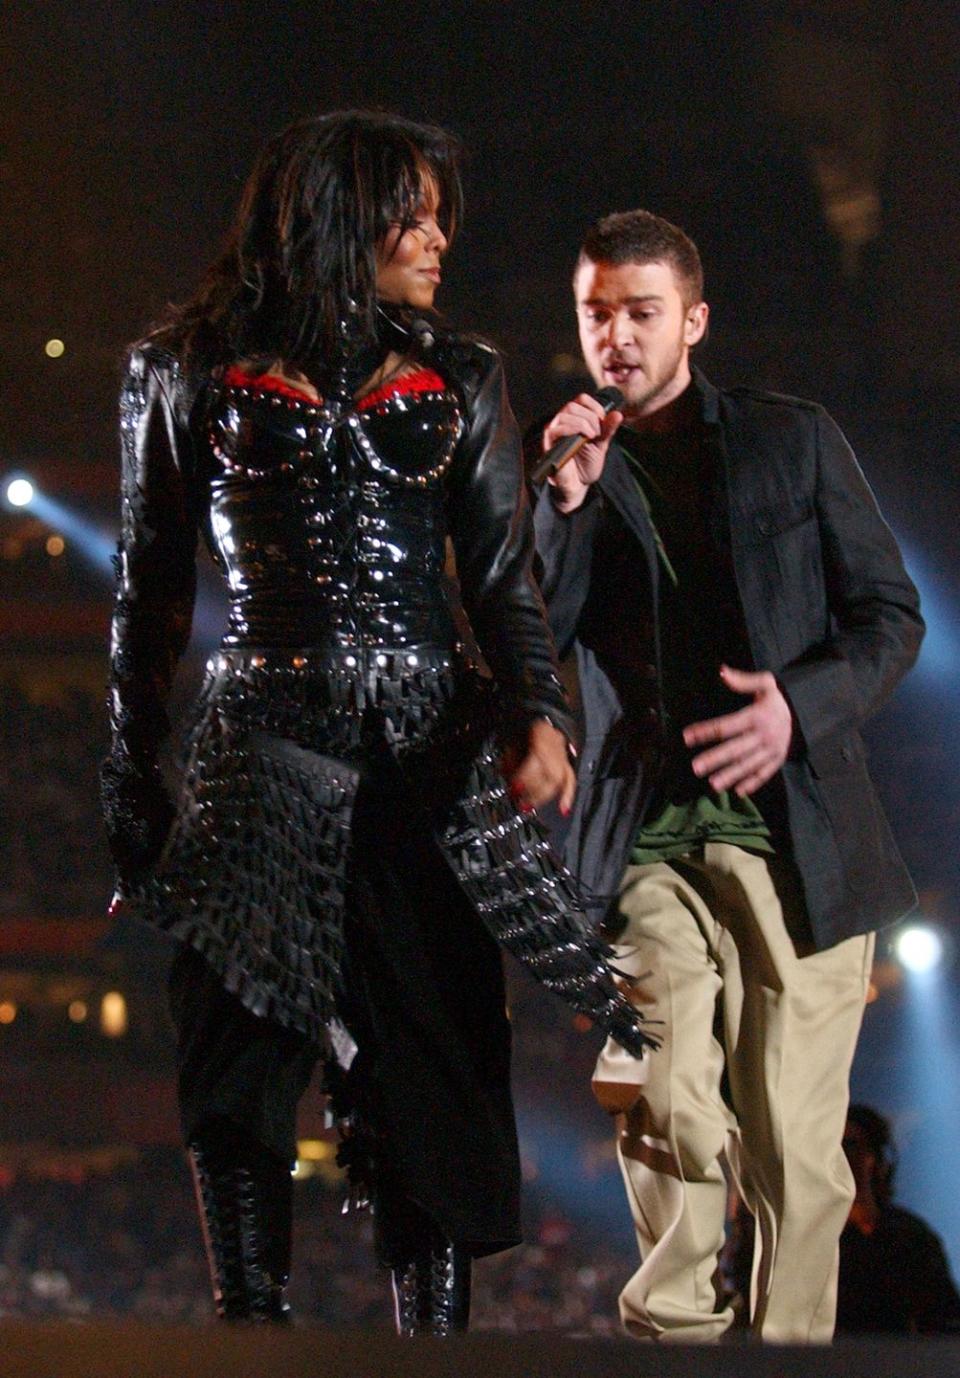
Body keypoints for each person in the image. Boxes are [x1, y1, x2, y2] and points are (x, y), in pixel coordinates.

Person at [100, 113, 654, 1335]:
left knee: (432, 1065)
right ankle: (251, 1329)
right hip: (263, 739)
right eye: (412, 211)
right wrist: (129, 774)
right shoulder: (182, 367)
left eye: (439, 210)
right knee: (239, 1056)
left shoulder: (461, 373)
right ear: (341, 219)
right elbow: (147, 588)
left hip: (427, 744)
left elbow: (502, 575)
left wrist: (538, 714)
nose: (439, 235)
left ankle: (435, 1356)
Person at [528, 209, 924, 1343]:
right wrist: (560, 503)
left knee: (801, 1156)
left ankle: (787, 1352)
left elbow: (890, 618)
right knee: (661, 1096)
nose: (615, 336)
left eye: (640, 312)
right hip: (640, 841)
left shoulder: (790, 441)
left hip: (800, 841)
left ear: (694, 320)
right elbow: (525, 637)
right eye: (596, 312)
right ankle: (675, 1340)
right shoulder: (561, 468)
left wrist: (797, 706)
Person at [836, 1104, 960, 1334]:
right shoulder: (808, 1239)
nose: (841, 1157)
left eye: (851, 1146)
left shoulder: (911, 1237)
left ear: (875, 1158)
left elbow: (944, 1317)